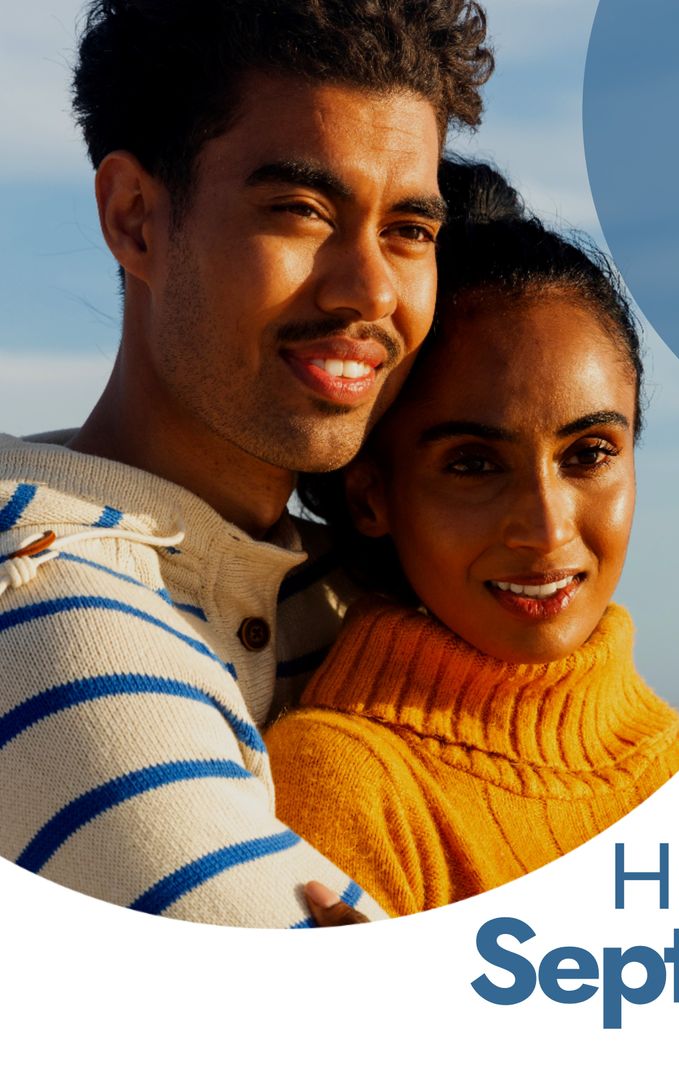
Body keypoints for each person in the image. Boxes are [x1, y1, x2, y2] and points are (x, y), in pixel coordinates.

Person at [0, 0, 493, 927]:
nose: (371, 291)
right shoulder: (50, 622)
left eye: (409, 230)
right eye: (301, 210)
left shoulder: (359, 580)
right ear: (136, 218)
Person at [264, 174, 679, 916]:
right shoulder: (346, 791)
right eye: (473, 463)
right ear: (372, 494)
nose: (546, 527)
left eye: (591, 453)